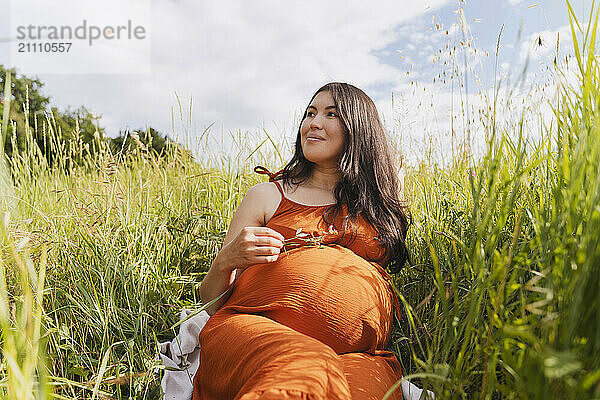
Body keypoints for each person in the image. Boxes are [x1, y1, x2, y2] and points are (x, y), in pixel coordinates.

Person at [193, 82, 411, 400]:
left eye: (330, 114)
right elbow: (211, 302)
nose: (313, 122)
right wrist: (228, 259)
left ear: (359, 129)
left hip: (361, 357)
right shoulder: (267, 195)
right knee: (303, 371)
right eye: (310, 113)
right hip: (255, 332)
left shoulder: (378, 207)